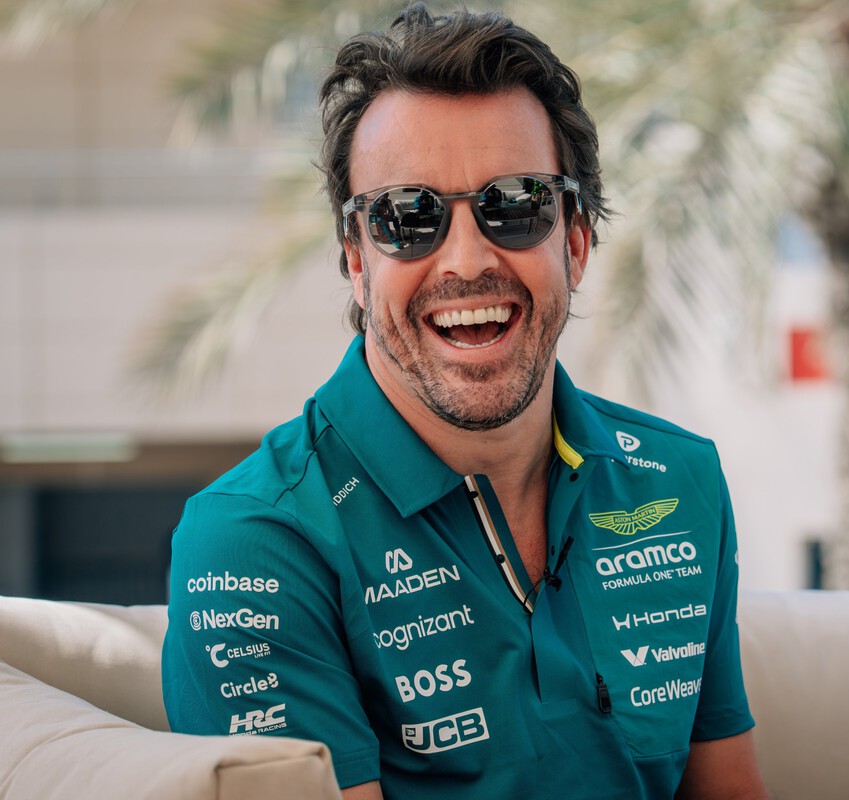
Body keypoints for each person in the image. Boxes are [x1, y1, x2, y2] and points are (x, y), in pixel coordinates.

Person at [161, 4, 768, 799]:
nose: (467, 261)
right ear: (357, 260)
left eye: (515, 204)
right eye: (407, 217)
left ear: (576, 242)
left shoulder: (680, 481)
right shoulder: (256, 543)